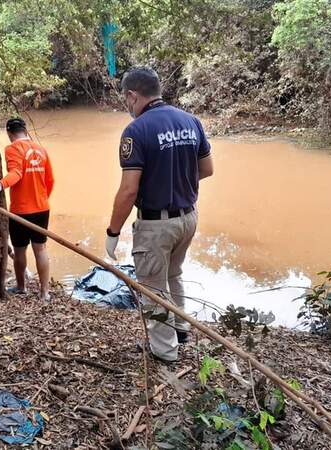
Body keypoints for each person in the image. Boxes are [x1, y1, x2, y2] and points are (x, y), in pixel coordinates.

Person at [105, 67, 214, 363]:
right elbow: (206, 169)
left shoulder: (136, 130)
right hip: (188, 218)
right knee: (174, 274)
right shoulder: (191, 122)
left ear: (133, 95)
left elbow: (128, 190)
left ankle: (165, 352)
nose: (127, 106)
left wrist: (112, 233)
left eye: (126, 100)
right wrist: (176, 182)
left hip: (157, 225)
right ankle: (180, 329)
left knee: (152, 288)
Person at [0, 118, 54, 301]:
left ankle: (21, 286)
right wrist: (41, 198)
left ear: (10, 133)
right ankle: (45, 293)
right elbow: (50, 180)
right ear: (25, 131)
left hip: (21, 210)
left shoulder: (12, 149)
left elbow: (16, 173)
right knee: (40, 249)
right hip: (42, 208)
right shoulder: (41, 149)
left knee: (20, 250)